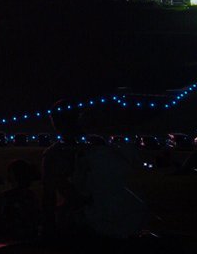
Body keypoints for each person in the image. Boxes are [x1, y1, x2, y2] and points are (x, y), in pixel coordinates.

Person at [41, 103, 145, 240]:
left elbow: (49, 194)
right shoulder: (96, 145)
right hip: (117, 212)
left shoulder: (55, 154)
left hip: (89, 216)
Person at [0, 159, 40, 241]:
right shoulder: (31, 195)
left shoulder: (5, 197)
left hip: (11, 237)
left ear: (12, 176)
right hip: (29, 235)